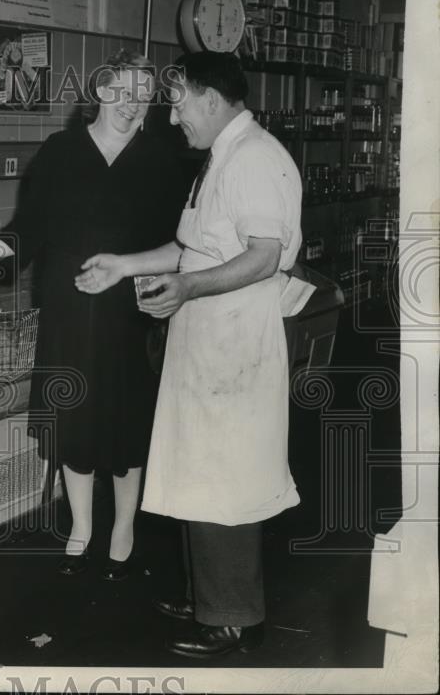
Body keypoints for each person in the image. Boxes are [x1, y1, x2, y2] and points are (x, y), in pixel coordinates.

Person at [0, 50, 187, 579]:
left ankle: (124, 524)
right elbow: (27, 231)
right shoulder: (62, 151)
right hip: (69, 305)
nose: (131, 104)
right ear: (100, 91)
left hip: (130, 306)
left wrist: (151, 279)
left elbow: (179, 244)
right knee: (75, 416)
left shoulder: (161, 159)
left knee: (127, 421)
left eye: (142, 95)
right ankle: (83, 523)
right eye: (122, 91)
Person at [75, 51, 304, 657]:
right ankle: (208, 595)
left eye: (177, 103)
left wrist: (189, 289)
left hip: (234, 343)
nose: (172, 118)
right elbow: (192, 248)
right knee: (199, 468)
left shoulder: (254, 159)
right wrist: (124, 264)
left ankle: (234, 617)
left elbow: (264, 256)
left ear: (209, 98)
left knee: (226, 477)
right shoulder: (219, 159)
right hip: (206, 340)